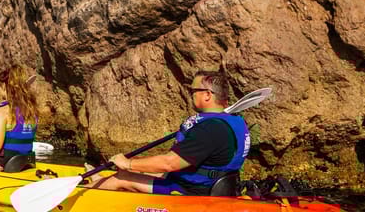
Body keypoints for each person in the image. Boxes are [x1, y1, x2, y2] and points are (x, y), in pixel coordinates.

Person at [85, 70, 249, 195]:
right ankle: (94, 184)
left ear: (207, 95)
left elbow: (169, 163)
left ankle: (73, 199)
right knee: (132, 171)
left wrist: (128, 163)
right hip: (207, 183)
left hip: (190, 191)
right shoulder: (233, 120)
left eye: (193, 91)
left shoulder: (210, 129)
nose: (190, 94)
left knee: (121, 177)